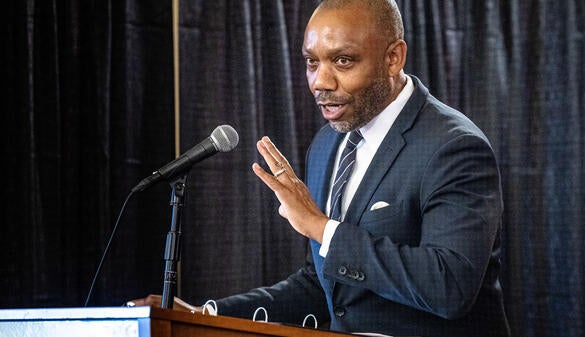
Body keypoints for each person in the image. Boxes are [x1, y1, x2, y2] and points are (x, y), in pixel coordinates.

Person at [132, 0, 511, 336]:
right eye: (312, 62)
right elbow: (323, 283)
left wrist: (319, 226)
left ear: (393, 57)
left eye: (343, 61)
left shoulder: (454, 147)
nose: (320, 82)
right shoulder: (328, 144)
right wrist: (206, 315)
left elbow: (449, 288)